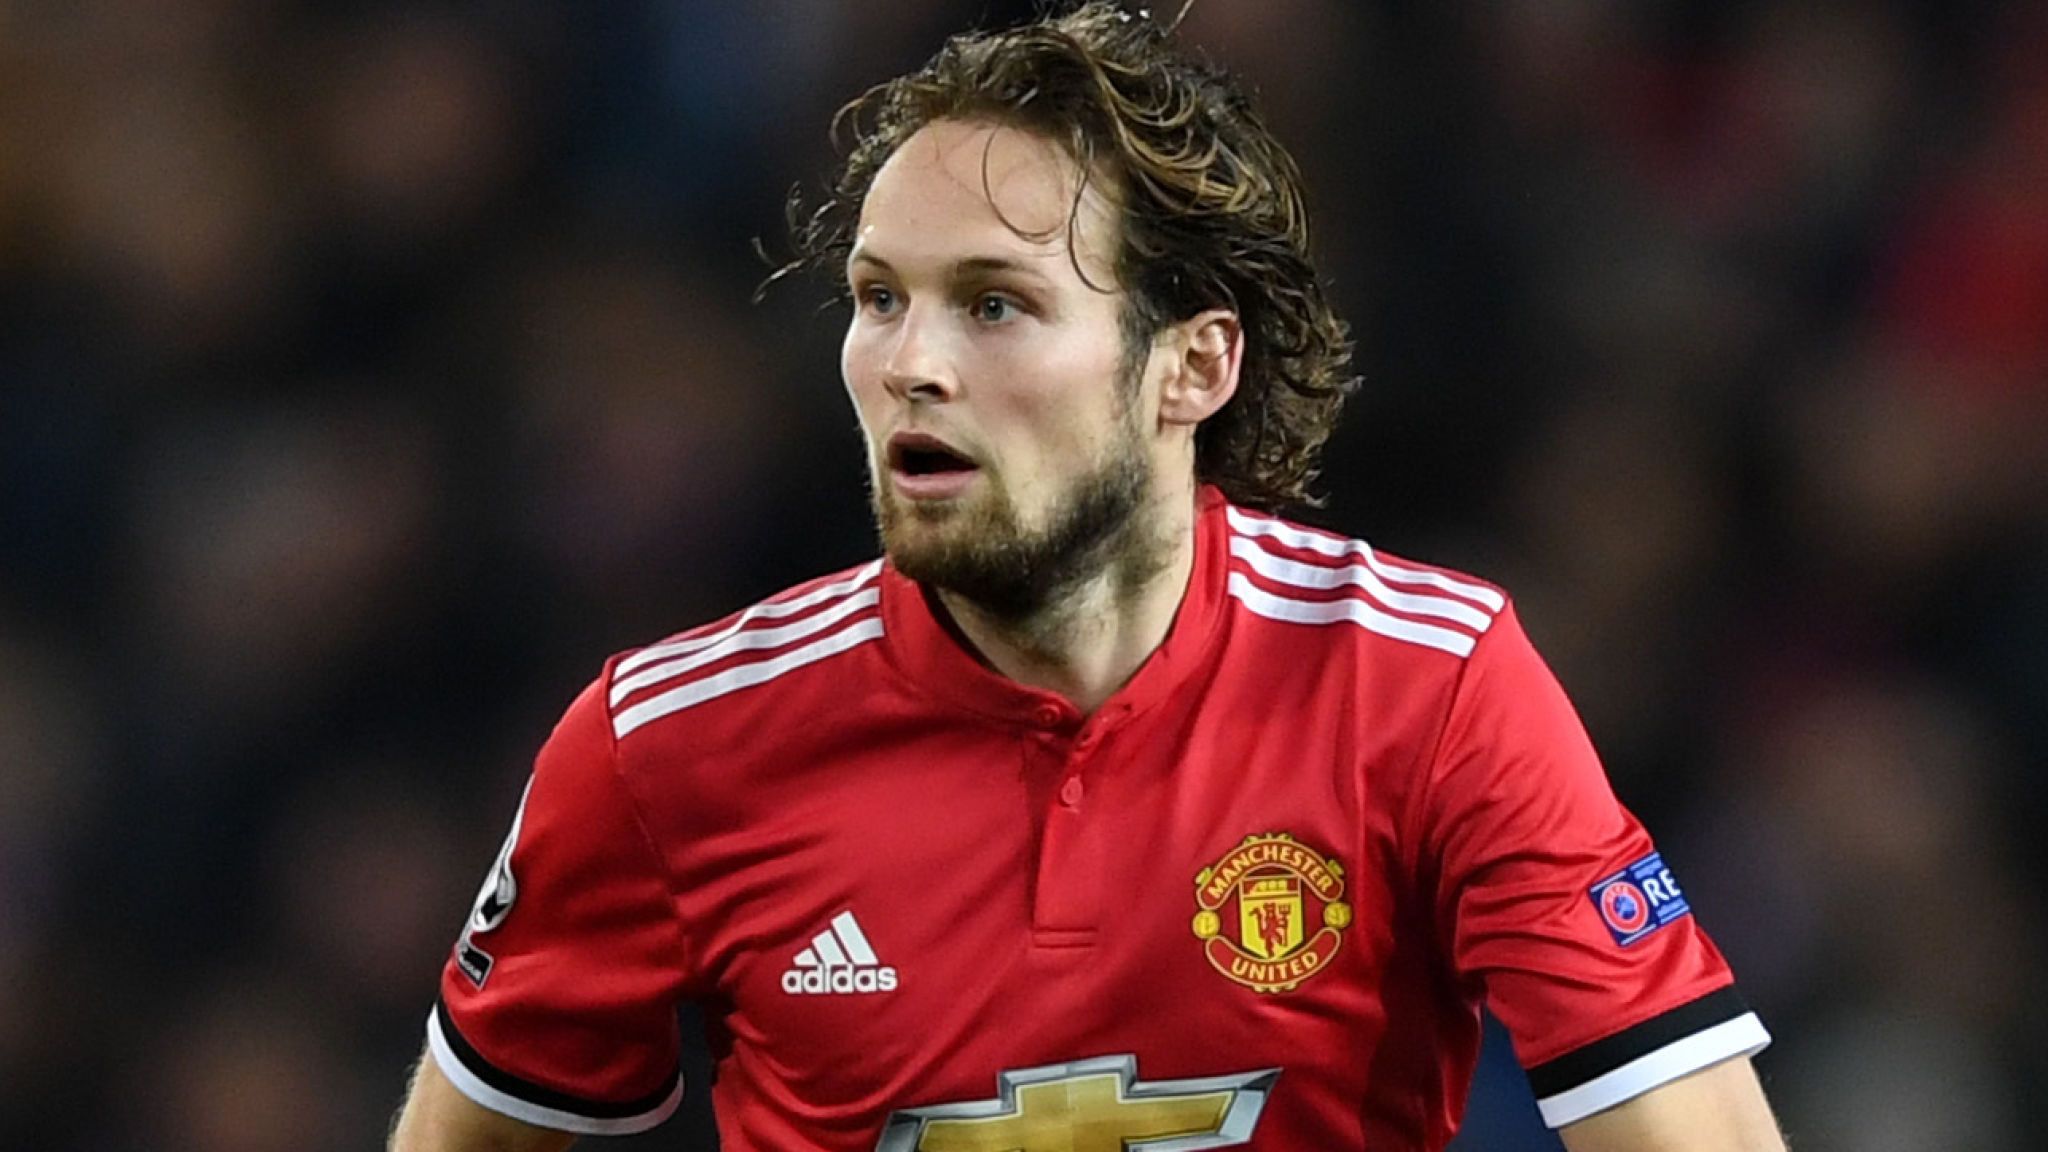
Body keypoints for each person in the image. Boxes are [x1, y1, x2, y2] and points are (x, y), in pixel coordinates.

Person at [389, 4, 1786, 1149]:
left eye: (995, 303)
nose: (911, 363)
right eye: (879, 298)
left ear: (1192, 365)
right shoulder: (666, 747)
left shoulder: (1424, 688)